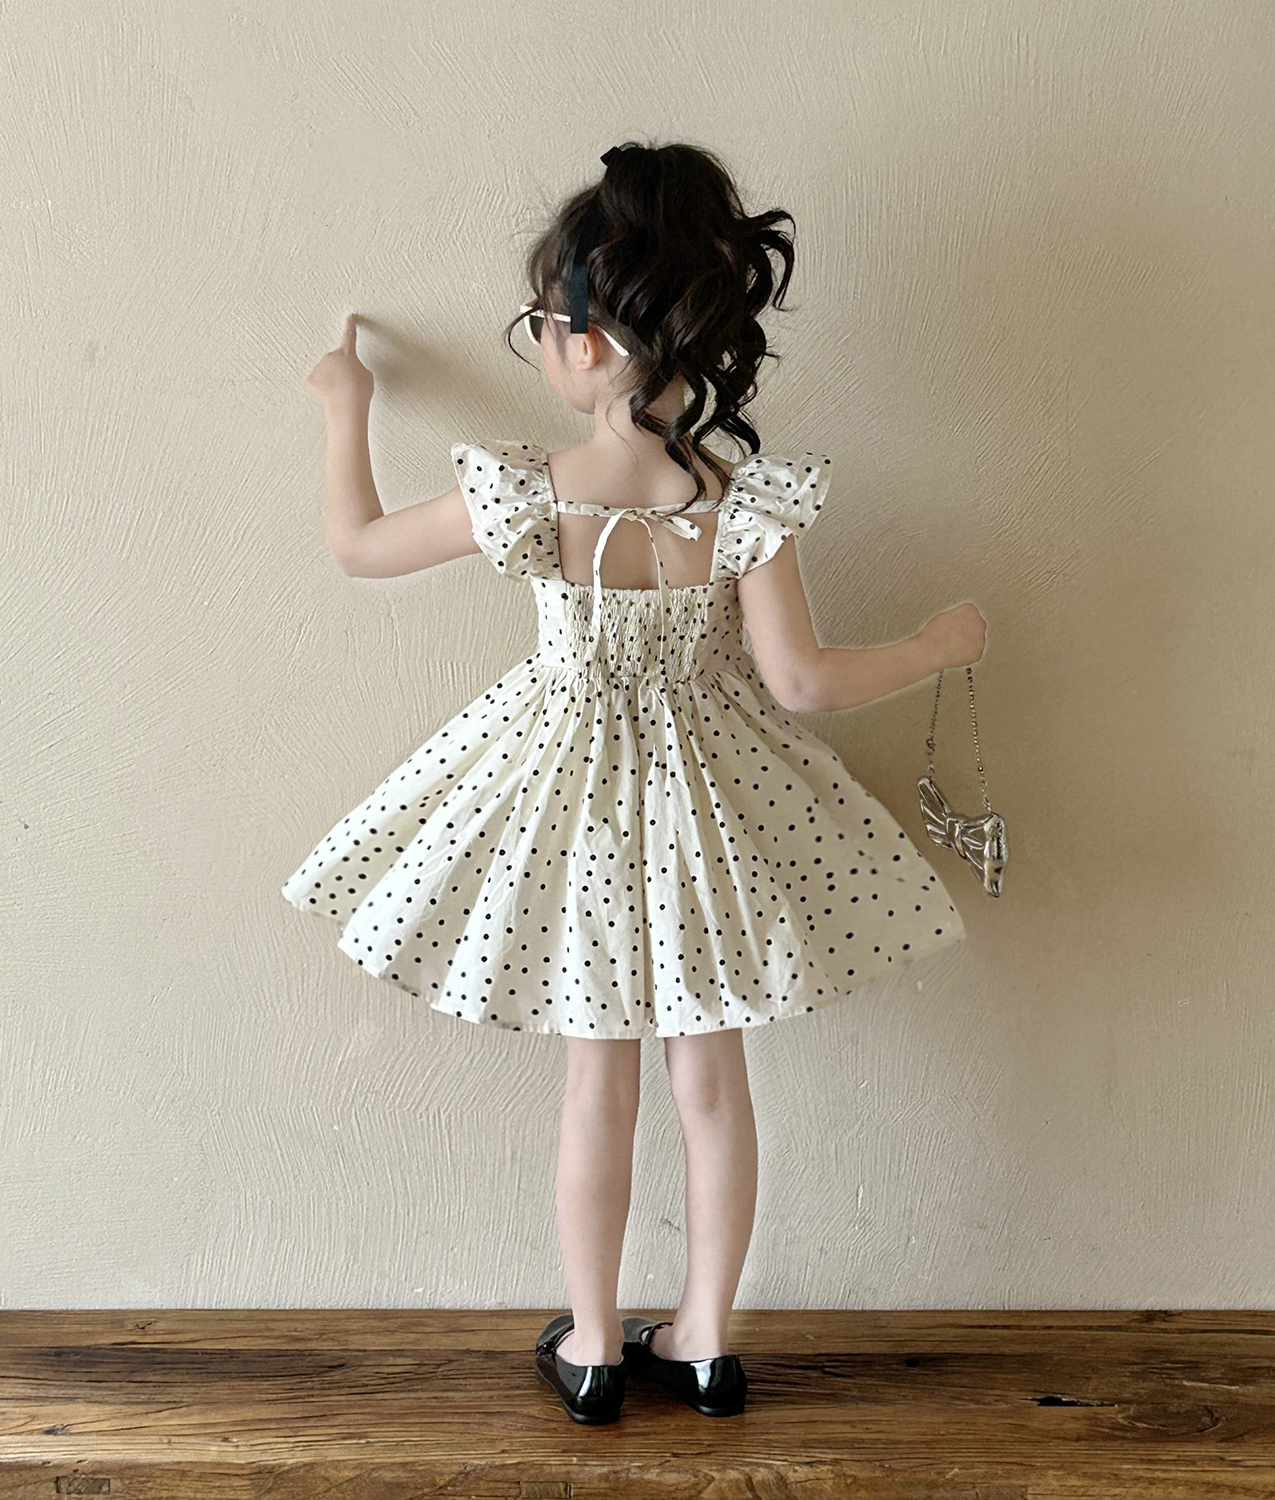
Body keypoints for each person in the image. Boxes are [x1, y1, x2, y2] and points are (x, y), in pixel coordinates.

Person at [285, 140, 987, 1426]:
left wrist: (346, 404)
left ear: (591, 342)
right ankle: (708, 1344)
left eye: (541, 326)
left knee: (595, 1086)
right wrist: (935, 648)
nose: (541, 347)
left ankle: (599, 1347)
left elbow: (359, 545)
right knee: (712, 1087)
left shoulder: (529, 491)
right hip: (711, 813)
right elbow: (803, 683)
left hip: (567, 807)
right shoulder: (739, 501)